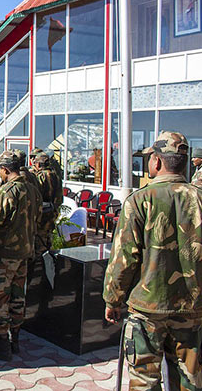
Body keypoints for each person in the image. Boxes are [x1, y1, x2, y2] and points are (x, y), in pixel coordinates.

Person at [104, 131, 202, 390]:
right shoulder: (200, 198)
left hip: (148, 310)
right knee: (191, 382)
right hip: (193, 310)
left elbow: (124, 258)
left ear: (157, 162)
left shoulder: (140, 200)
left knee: (144, 382)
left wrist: (112, 299)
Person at [0, 151, 41, 361]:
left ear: (5, 170)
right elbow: (39, 216)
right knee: (18, 296)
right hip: (24, 252)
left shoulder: (7, 191)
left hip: (4, 253)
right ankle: (15, 339)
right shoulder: (33, 190)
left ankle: (1, 343)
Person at [32, 152, 63, 256]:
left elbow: (37, 195)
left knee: (40, 240)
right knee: (48, 237)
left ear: (38, 164)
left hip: (43, 212)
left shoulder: (41, 176)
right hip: (53, 210)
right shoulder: (56, 175)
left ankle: (41, 264)